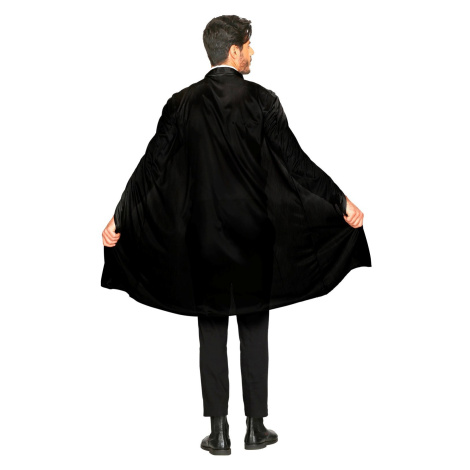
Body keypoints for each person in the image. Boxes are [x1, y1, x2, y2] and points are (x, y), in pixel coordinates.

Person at [101, 15, 371, 455]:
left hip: (203, 241)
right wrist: (340, 202)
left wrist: (119, 217)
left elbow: (152, 166)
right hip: (254, 237)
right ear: (233, 50)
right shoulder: (263, 100)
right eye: (249, 45)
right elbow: (295, 163)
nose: (253, 52)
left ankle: (219, 432)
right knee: (254, 328)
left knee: (211, 332)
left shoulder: (181, 104)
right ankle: (255, 428)